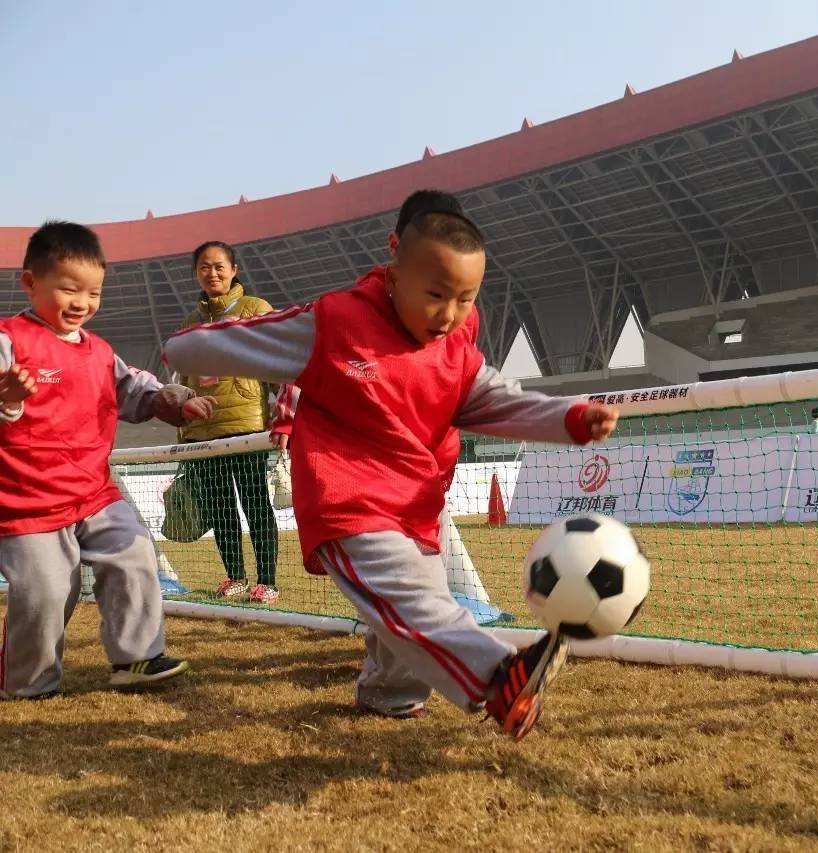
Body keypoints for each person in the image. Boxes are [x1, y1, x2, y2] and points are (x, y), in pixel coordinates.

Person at [164, 189, 618, 739]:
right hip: (346, 500)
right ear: (394, 264)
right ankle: (499, 678)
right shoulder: (333, 323)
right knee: (413, 600)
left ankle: (388, 697)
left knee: (409, 606)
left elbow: (492, 398)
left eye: (466, 298)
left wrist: (568, 418)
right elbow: (200, 346)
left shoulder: (456, 345)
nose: (448, 315)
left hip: (416, 501)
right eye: (435, 294)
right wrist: (191, 353)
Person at [0, 222, 215, 698]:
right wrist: (7, 398)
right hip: (27, 502)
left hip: (94, 491)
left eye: (93, 292)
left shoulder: (100, 352)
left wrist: (171, 399)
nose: (82, 303)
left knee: (134, 549)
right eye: (68, 289)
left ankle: (136, 658)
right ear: (31, 282)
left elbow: (135, 389)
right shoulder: (8, 339)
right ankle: (28, 682)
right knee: (47, 592)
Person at [175, 241, 289, 604]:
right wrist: (183, 425)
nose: (213, 273)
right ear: (196, 273)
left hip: (247, 428)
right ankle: (235, 576)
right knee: (221, 506)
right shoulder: (190, 323)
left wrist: (286, 414)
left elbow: (278, 365)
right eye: (205, 267)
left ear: (234, 269)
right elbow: (184, 380)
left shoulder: (255, 310)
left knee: (255, 503)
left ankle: (267, 581)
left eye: (220, 266)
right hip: (203, 433)